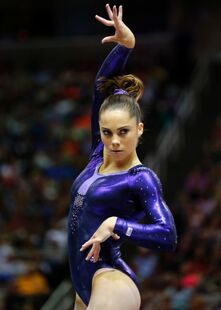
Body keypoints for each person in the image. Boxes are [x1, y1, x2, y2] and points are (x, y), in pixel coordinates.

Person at [68, 4, 177, 310]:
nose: (114, 141)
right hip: (82, 285)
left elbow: (167, 235)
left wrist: (117, 223)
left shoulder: (141, 178)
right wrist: (126, 46)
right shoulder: (96, 156)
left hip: (111, 281)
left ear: (140, 129)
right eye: (107, 132)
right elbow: (100, 87)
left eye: (124, 132)